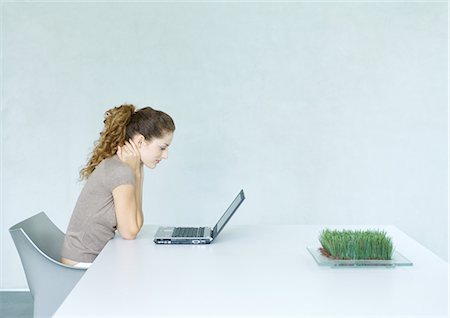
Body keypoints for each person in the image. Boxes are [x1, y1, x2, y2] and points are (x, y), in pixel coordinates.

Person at [61, 104, 175, 268]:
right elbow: (129, 232)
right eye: (162, 147)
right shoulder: (120, 171)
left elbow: (136, 223)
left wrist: (137, 172)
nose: (165, 155)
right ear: (141, 141)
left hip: (91, 259)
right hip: (81, 266)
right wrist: (135, 173)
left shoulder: (124, 168)